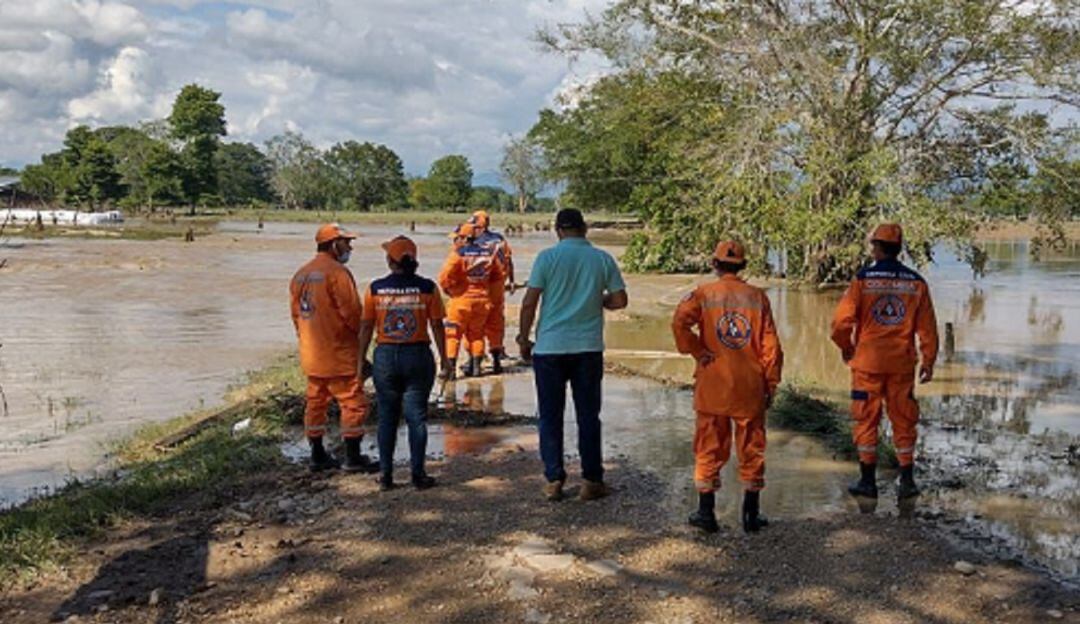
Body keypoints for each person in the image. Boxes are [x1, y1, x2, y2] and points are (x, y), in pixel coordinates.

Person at [671, 241, 783, 533]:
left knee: (709, 447)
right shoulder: (758, 298)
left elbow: (679, 324)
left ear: (714, 264)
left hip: (713, 384)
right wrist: (770, 384)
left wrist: (697, 350)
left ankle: (706, 514)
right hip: (750, 386)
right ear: (743, 266)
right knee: (752, 449)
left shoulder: (703, 294)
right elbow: (771, 348)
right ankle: (750, 515)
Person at [516, 208, 628, 502]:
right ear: (585, 229)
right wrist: (598, 300)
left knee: (550, 416)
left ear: (557, 230)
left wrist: (523, 339)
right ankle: (592, 481)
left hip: (550, 348)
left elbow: (529, 303)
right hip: (587, 349)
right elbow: (620, 300)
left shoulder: (547, 258)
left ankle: (554, 480)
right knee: (588, 416)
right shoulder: (602, 258)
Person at [831, 223, 938, 501]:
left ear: (877, 248)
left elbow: (841, 323)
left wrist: (846, 347)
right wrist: (929, 360)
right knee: (904, 420)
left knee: (866, 419)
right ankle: (907, 482)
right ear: (899, 249)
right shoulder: (916, 283)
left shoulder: (862, 280)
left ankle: (868, 482)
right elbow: (927, 328)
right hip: (902, 364)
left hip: (867, 364)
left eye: (873, 245)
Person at [357, 236, 448, 491]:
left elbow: (365, 328)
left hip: (385, 356)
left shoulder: (375, 289)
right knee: (416, 417)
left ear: (390, 261)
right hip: (418, 356)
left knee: (387, 418)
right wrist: (446, 360)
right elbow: (438, 326)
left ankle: (386, 476)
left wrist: (359, 361)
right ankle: (418, 475)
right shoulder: (428, 288)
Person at [289, 223, 378, 473]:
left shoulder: (301, 274)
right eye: (346, 243)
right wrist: (362, 351)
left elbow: (295, 315)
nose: (349, 247)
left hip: (312, 355)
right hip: (339, 353)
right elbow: (353, 315)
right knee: (352, 403)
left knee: (315, 402)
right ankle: (352, 457)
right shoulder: (337, 273)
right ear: (333, 244)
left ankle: (317, 455)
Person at [439, 223, 504, 378]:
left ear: (464, 238)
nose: (454, 242)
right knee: (477, 334)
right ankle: (476, 369)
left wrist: (448, 289)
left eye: (456, 238)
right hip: (482, 299)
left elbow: (444, 276)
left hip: (461, 299)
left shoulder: (458, 254)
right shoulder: (489, 253)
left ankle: (451, 370)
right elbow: (498, 275)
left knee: (453, 335)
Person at [469, 210, 515, 374]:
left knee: (475, 324)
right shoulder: (499, 239)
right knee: (495, 322)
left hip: (478, 286)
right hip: (497, 286)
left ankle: (474, 363)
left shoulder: (470, 240)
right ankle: (496, 361)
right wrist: (511, 280)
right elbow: (509, 261)